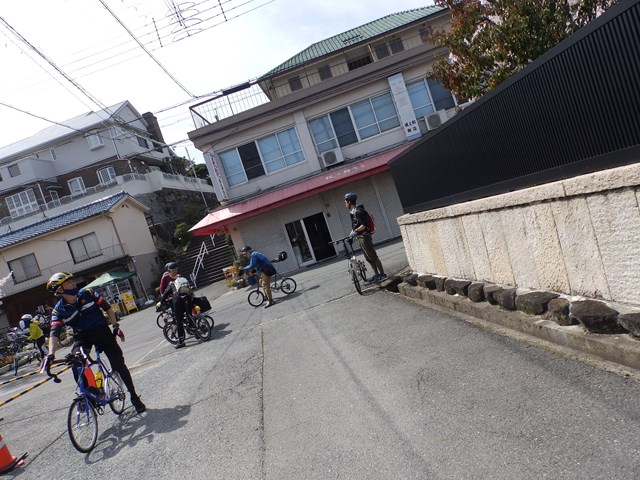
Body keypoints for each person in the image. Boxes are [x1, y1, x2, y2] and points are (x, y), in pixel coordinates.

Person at [45, 272, 146, 414]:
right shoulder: (58, 310)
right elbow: (54, 332)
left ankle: (134, 397)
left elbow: (107, 307)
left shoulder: (88, 293)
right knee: (76, 363)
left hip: (102, 332)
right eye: (69, 282)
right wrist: (51, 354)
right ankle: (91, 395)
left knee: (118, 365)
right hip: (82, 337)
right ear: (60, 290)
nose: (74, 283)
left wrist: (115, 326)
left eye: (73, 281)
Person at [344, 192, 387, 283]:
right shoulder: (353, 212)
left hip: (365, 236)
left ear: (349, 202)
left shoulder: (359, 211)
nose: (345, 203)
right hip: (360, 237)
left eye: (345, 202)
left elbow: (364, 225)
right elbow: (355, 226)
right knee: (368, 257)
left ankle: (382, 274)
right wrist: (350, 235)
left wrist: (355, 232)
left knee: (372, 256)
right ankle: (376, 274)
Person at [161, 273, 192, 349]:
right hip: (188, 298)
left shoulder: (172, 283)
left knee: (179, 321)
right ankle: (196, 332)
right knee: (189, 315)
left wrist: (162, 301)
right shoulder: (184, 281)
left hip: (178, 301)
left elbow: (165, 294)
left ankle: (181, 342)